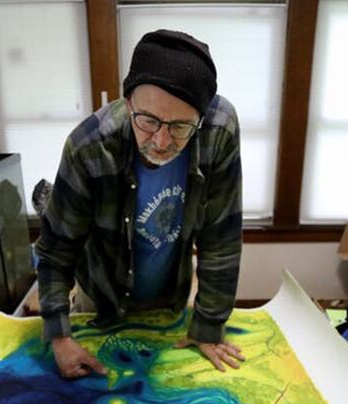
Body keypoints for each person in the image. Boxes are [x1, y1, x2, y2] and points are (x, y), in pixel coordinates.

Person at [36, 29, 244, 379]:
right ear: (128, 103)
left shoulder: (219, 132)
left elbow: (220, 237)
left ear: (202, 118)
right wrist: (59, 336)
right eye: (147, 121)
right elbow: (57, 251)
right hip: (99, 295)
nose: (161, 141)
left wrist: (208, 325)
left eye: (180, 126)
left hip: (170, 294)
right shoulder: (88, 146)